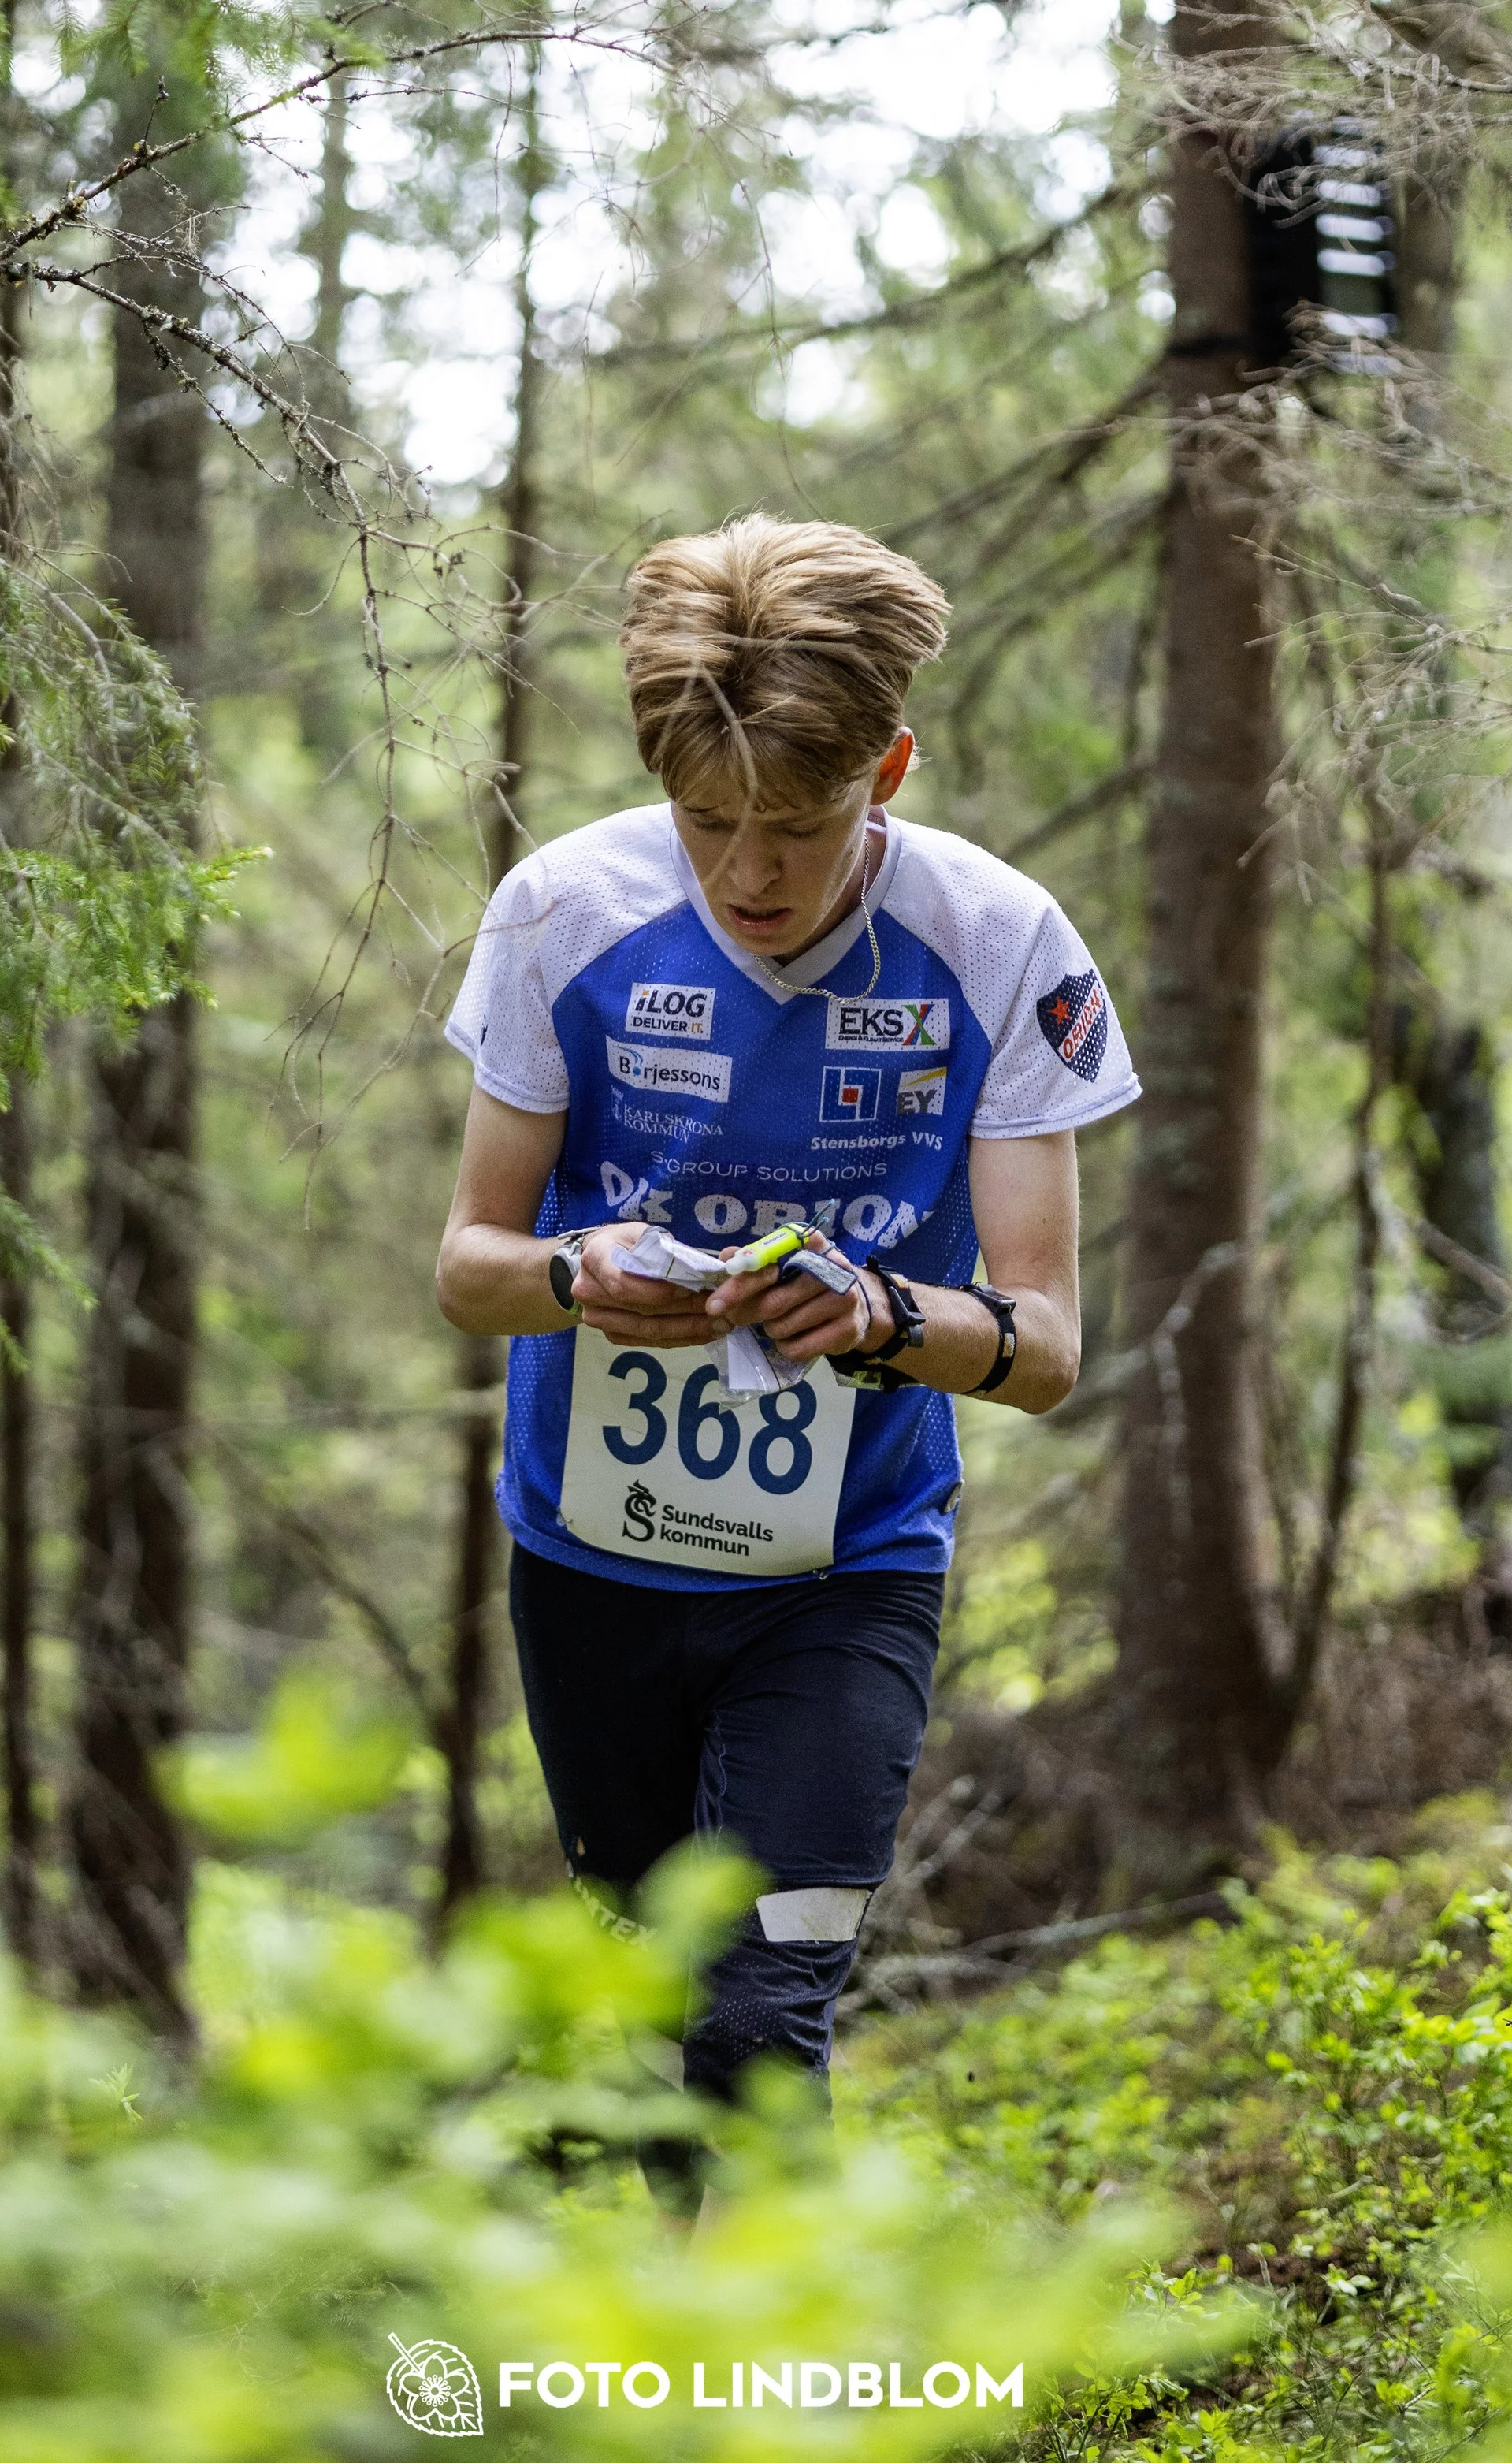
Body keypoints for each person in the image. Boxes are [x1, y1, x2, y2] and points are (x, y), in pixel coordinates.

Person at [437, 512, 1137, 2199]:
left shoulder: (995, 940)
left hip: (846, 1563)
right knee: (668, 1997)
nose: (748, 871)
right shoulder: (563, 911)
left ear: (885, 766)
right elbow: (467, 1270)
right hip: (587, 1552)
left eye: (799, 824)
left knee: (765, 2001)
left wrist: (887, 1318)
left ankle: (760, 2387)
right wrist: (574, 1272)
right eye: (706, 821)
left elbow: (1041, 1348)